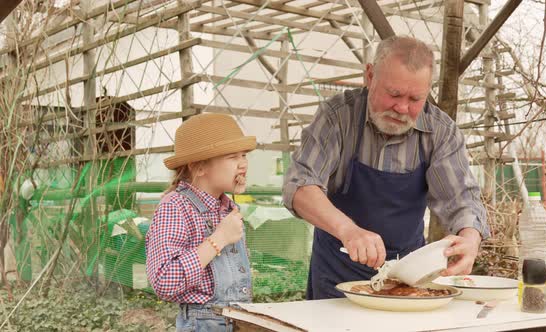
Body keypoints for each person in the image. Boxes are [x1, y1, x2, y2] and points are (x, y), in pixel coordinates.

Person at [282, 36, 491, 300]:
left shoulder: (441, 131)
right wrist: (349, 231)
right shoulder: (337, 117)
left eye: (415, 99)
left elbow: (462, 199)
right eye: (393, 94)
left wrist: (470, 239)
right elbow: (299, 186)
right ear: (369, 76)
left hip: (409, 276)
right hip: (336, 275)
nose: (402, 108)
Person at [146, 114, 256, 331]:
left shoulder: (227, 208)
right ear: (199, 167)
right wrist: (219, 238)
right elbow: (164, 281)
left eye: (244, 155)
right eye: (233, 157)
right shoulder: (175, 206)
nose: (243, 163)